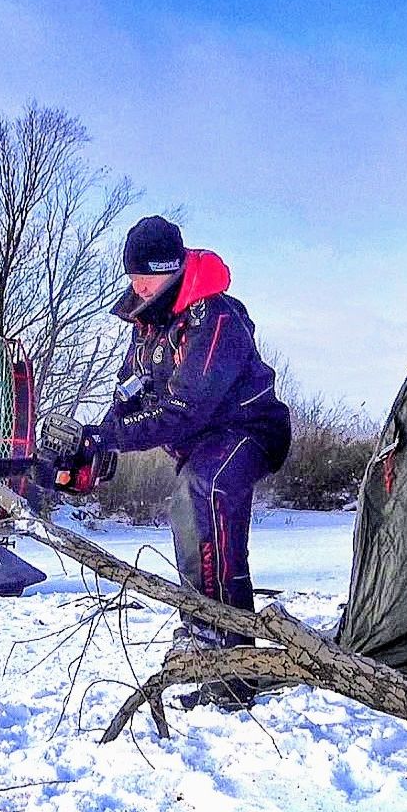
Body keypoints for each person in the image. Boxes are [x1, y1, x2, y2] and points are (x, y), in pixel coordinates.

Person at [82, 215, 293, 707]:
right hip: (200, 442)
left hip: (247, 429)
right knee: (185, 512)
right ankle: (203, 633)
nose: (137, 285)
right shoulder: (148, 326)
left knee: (207, 492)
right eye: (132, 275)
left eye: (146, 275)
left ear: (171, 269)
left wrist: (111, 437)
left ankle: (232, 655)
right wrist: (96, 441)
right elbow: (130, 393)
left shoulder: (215, 318)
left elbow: (185, 408)